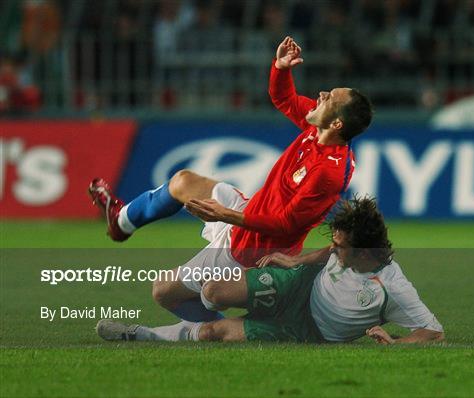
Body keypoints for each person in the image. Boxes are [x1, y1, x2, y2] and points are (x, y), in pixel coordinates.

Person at [88, 36, 373, 322]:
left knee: (163, 291)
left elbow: (286, 223)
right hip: (246, 212)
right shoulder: (318, 129)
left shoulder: (328, 171)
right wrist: (281, 67)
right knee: (182, 182)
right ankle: (121, 221)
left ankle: (217, 330)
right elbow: (283, 98)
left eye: (330, 97)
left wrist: (225, 215)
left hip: (254, 249)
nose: (322, 94)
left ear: (336, 124)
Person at [96, 197, 444, 344]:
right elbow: (327, 251)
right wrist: (296, 261)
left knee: (215, 332)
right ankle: (218, 308)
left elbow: (433, 332)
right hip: (296, 284)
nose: (334, 248)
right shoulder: (342, 251)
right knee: (214, 291)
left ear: (365, 252)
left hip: (305, 330)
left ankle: (139, 334)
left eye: (341, 246)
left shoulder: (394, 286)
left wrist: (394, 342)